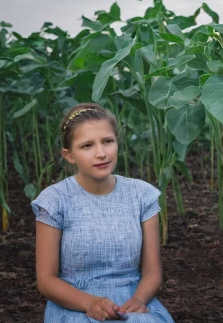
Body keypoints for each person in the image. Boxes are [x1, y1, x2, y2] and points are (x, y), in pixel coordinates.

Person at [32, 103, 174, 323]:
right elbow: (46, 280)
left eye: (108, 141)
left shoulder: (141, 195)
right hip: (74, 305)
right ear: (69, 155)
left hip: (131, 302)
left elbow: (152, 271)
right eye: (87, 146)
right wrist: (89, 303)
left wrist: (139, 299)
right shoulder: (55, 200)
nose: (101, 153)